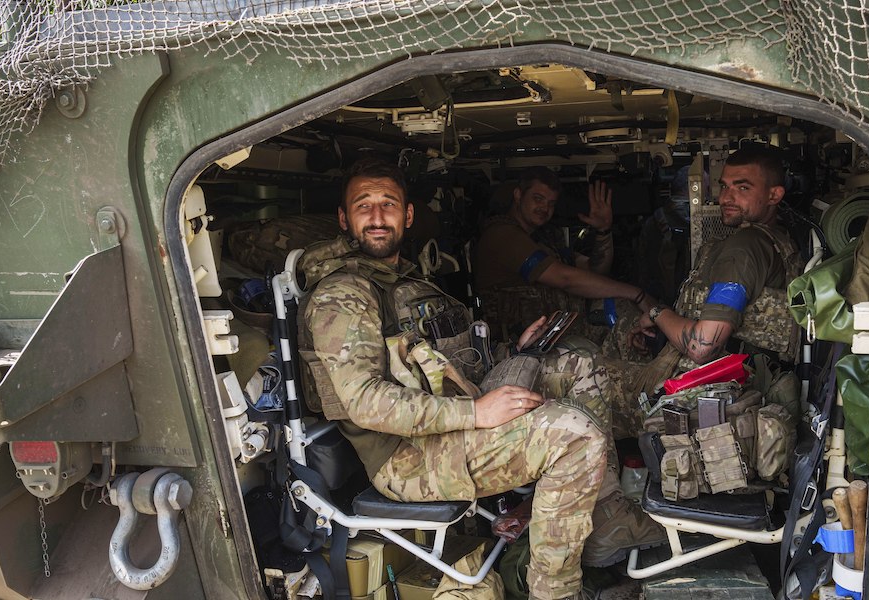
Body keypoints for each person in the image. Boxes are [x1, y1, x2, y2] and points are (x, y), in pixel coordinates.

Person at [299, 158, 662, 600]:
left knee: (578, 364)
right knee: (575, 436)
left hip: (449, 426)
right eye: (363, 206)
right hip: (406, 458)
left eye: (388, 204)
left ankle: (604, 521)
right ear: (345, 218)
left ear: (407, 215)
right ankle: (554, 592)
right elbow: (365, 402)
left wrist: (514, 354)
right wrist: (477, 411)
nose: (377, 217)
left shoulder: (404, 280)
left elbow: (443, 368)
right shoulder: (344, 294)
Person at [604, 145, 805, 432]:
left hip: (701, 395)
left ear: (774, 195)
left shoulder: (744, 249)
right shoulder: (778, 240)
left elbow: (701, 347)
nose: (726, 198)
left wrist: (657, 312)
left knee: (578, 372)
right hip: (735, 383)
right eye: (724, 186)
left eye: (742, 188)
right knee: (621, 327)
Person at [473, 167, 656, 344]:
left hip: (555, 341)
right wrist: (637, 294)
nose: (545, 208)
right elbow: (565, 279)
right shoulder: (503, 236)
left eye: (551, 203)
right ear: (518, 195)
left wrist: (603, 231)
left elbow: (595, 272)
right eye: (538, 199)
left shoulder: (542, 239)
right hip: (519, 348)